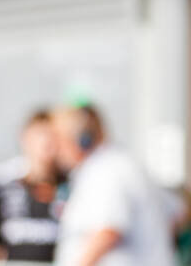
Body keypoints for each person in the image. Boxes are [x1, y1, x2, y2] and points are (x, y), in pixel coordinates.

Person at [51, 105, 175, 266]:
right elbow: (179, 215)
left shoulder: (106, 171)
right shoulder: (116, 165)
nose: (55, 151)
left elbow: (107, 232)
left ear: (81, 141)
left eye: (58, 141)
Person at [0, 109, 66, 262]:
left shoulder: (72, 189)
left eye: (52, 136)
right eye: (40, 135)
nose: (46, 143)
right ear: (24, 137)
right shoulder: (5, 188)